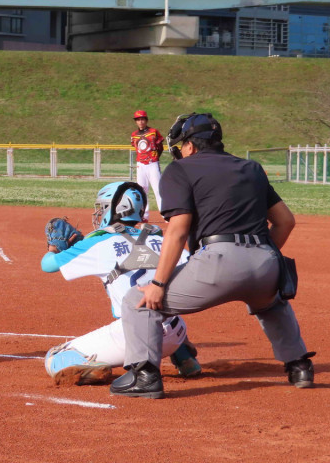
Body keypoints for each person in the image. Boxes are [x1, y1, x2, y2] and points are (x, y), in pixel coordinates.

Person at [111, 113, 314, 399]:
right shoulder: (251, 168)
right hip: (265, 260)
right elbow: (285, 221)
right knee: (271, 303)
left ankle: (145, 376)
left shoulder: (181, 170)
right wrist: (263, 256)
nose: (180, 151)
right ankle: (299, 365)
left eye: (181, 146)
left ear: (191, 146)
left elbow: (178, 231)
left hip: (216, 262)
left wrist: (157, 284)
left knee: (138, 301)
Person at [40, 181, 201, 386]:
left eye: (102, 207)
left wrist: (56, 246)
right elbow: (191, 266)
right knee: (159, 304)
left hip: (136, 337)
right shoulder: (161, 238)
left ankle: (95, 367)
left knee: (55, 358)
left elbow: (48, 265)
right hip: (176, 330)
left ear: (113, 209)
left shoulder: (98, 242)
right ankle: (184, 355)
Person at [130, 110, 164, 221]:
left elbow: (160, 147)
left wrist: (155, 158)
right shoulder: (134, 135)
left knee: (158, 189)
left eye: (142, 119)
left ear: (146, 120)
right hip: (140, 164)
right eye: (138, 120)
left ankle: (165, 214)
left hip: (152, 163)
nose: (140, 122)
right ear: (136, 122)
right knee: (142, 190)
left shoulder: (153, 132)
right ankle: (144, 215)